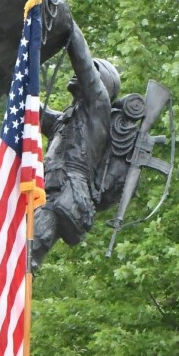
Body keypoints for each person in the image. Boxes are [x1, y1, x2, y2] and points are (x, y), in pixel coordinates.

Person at [32, 25, 121, 268]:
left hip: (64, 198)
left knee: (27, 252)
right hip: (43, 189)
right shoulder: (65, 119)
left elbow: (81, 61)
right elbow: (30, 107)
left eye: (94, 70)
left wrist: (67, 24)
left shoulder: (98, 109)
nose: (78, 72)